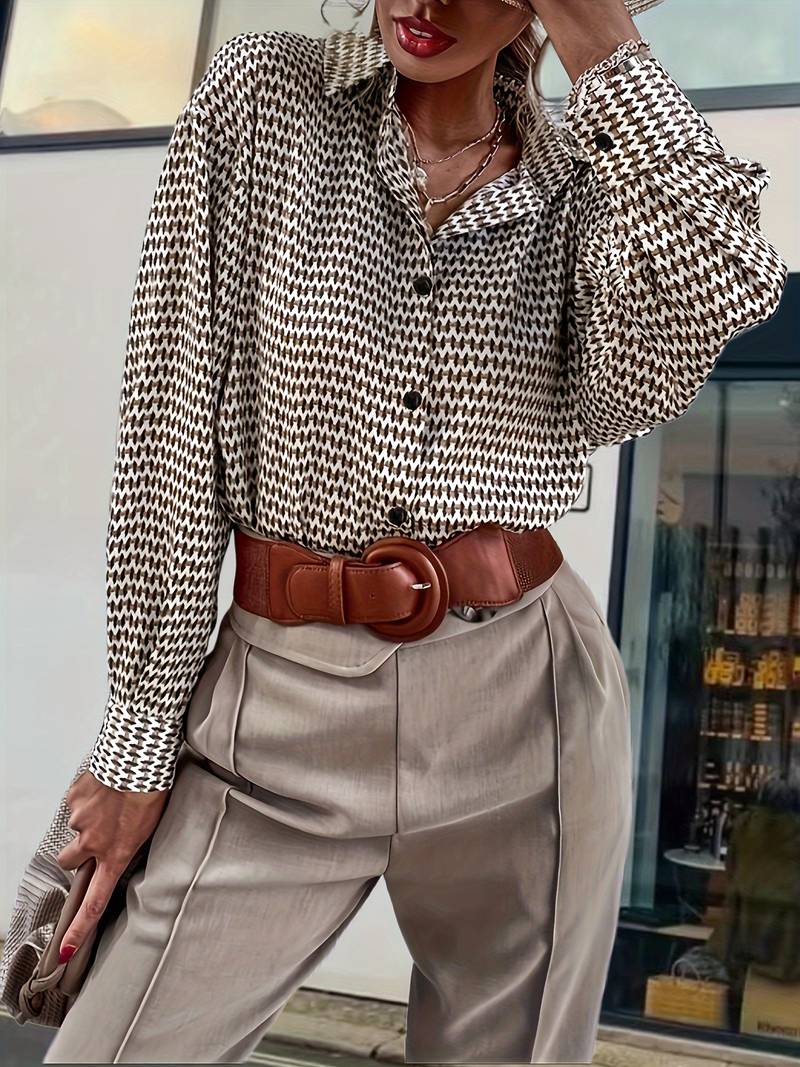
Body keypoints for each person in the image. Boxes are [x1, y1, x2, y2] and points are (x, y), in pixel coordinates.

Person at [40, 0, 787, 1061]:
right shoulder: (263, 100)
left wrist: (603, 44)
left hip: (525, 704)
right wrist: (137, 738)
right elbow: (168, 430)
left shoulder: (589, 183)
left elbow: (719, 288)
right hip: (274, 708)